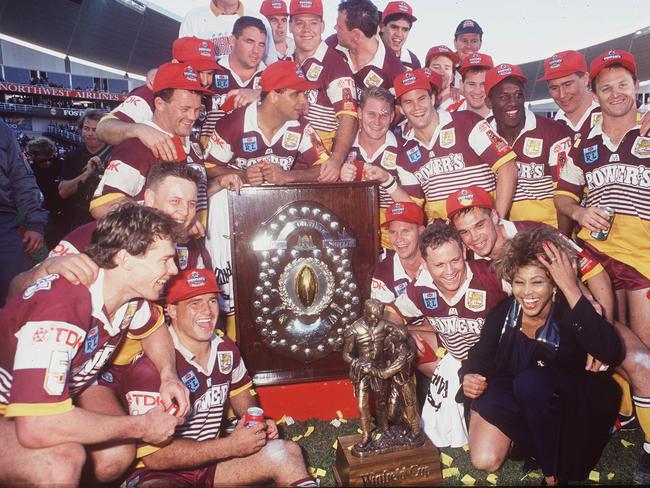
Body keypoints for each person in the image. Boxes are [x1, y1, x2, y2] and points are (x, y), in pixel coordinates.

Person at [0, 205, 189, 485]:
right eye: (165, 260)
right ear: (126, 258)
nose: (174, 270)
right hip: (16, 405)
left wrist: (167, 375)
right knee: (59, 462)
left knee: (117, 452)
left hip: (56, 394)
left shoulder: (127, 295)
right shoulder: (64, 303)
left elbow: (153, 328)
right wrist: (142, 426)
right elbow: (37, 426)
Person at [100, 268, 316, 487]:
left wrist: (254, 422)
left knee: (286, 453)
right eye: (194, 303)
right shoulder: (149, 368)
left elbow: (240, 391)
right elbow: (155, 457)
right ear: (172, 310)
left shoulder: (226, 349)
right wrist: (231, 446)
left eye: (212, 301)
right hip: (159, 475)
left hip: (212, 465)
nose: (207, 311)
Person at [461, 227, 624, 485]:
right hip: (534, 406)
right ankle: (538, 446)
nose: (527, 293)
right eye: (519, 282)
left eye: (537, 282)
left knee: (531, 383)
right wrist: (467, 375)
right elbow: (479, 356)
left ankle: (553, 475)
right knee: (491, 396)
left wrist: (571, 288)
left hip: (577, 410)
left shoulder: (570, 312)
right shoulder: (504, 314)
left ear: (553, 284)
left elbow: (611, 350)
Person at [554, 50, 650, 482]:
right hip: (597, 255)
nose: (616, 94)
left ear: (636, 87)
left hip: (644, 255)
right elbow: (562, 196)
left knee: (643, 350)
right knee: (607, 338)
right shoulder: (585, 142)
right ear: (594, 92)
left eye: (623, 85)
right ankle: (626, 412)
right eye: (606, 87)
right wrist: (576, 214)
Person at [204, 59, 329, 339]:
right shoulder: (233, 123)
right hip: (233, 224)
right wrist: (241, 173)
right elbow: (207, 167)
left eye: (305, 93)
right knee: (235, 292)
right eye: (296, 93)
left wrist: (288, 177)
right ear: (273, 95)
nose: (303, 100)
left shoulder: (300, 127)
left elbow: (326, 167)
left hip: (276, 224)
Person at [393, 220, 508, 448]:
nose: (450, 271)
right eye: (439, 265)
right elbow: (391, 315)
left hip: (495, 368)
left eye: (455, 260)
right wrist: (400, 331)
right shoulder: (421, 287)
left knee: (487, 459)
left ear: (464, 251)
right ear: (425, 264)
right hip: (455, 361)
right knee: (392, 341)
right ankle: (397, 420)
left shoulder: (491, 275)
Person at [393, 68, 517, 221]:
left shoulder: (467, 122)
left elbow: (507, 166)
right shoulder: (404, 155)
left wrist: (498, 219)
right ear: (401, 109)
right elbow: (413, 209)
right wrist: (387, 182)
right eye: (408, 102)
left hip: (481, 227)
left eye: (422, 98)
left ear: (432, 99)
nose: (417, 107)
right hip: (443, 237)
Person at [90, 62, 211, 220]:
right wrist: (164, 217)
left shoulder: (192, 141)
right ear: (159, 104)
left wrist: (221, 182)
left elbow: (196, 197)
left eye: (197, 110)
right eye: (185, 109)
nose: (193, 117)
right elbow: (101, 206)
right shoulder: (137, 145)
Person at [483, 63, 573, 230]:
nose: (513, 103)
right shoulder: (483, 134)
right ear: (489, 102)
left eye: (518, 95)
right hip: (503, 233)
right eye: (503, 97)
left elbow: (566, 194)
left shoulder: (553, 132)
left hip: (547, 232)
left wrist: (563, 241)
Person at [289, 0, 358, 181]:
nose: (306, 30)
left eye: (313, 22)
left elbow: (348, 116)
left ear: (323, 26)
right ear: (290, 26)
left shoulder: (335, 64)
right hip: (287, 162)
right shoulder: (284, 62)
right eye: (299, 23)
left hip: (320, 168)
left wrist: (336, 160)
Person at [339, 88, 411, 248]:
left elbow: (414, 209)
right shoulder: (342, 148)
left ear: (392, 116)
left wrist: (388, 181)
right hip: (351, 238)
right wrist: (339, 180)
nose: (377, 122)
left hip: (394, 242)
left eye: (384, 115)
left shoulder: (405, 149)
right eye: (371, 114)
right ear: (359, 113)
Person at [342, 298, 408, 450]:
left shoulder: (384, 325)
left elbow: (400, 334)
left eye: (378, 317)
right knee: (362, 404)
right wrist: (356, 362)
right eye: (371, 316)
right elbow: (346, 354)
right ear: (364, 312)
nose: (374, 320)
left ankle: (385, 429)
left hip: (379, 370)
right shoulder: (354, 330)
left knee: (381, 402)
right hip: (362, 372)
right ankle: (366, 435)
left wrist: (402, 338)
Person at [199, 16, 267, 148]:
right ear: (232, 41)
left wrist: (262, 94)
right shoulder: (210, 70)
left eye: (261, 44)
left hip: (252, 158)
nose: (256, 50)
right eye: (249, 41)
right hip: (209, 158)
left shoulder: (273, 77)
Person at [0, 120, 47, 306]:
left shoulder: (2, 130)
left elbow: (21, 177)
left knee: (18, 297)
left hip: (3, 223)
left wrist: (35, 221)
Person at [331, 0, 404, 94]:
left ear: (356, 35)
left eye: (339, 27)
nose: (335, 28)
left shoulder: (394, 72)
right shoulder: (332, 44)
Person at [179, 0, 278, 63]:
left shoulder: (258, 19)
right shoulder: (193, 18)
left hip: (247, 92)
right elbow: (183, 66)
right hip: (206, 91)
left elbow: (271, 64)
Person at [58, 109, 109, 231]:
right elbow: (63, 192)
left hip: (107, 219)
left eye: (95, 129)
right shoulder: (72, 156)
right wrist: (87, 174)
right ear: (81, 130)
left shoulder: (114, 153)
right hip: (79, 220)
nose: (90, 133)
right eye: (86, 128)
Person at [25, 136, 64, 248]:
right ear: (33, 157)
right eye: (42, 160)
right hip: (44, 212)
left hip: (62, 210)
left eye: (50, 159)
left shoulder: (60, 164)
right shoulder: (30, 171)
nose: (48, 163)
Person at [448, 52, 493, 118]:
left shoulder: (505, 117)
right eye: (472, 84)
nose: (477, 91)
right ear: (462, 85)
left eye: (483, 84)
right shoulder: (448, 115)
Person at [379, 1, 420, 71]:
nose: (399, 34)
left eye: (405, 29)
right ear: (382, 27)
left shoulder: (413, 61)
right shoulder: (367, 49)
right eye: (394, 27)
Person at [425, 45, 461, 111]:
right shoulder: (416, 101)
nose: (441, 73)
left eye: (447, 68)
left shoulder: (463, 104)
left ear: (452, 77)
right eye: (436, 67)